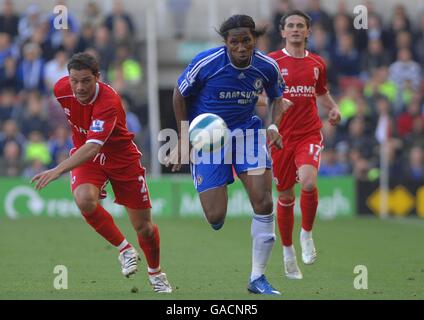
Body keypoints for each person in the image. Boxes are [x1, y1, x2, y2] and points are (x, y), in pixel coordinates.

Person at [167, 14, 292, 295]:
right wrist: (184, 138)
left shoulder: (266, 66)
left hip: (248, 133)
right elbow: (178, 93)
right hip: (210, 139)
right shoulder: (206, 62)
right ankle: (213, 192)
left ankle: (257, 277)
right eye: (234, 42)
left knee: (263, 201)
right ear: (225, 43)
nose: (240, 47)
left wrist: (272, 125)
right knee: (215, 217)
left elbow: (277, 97)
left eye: (246, 41)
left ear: (253, 40)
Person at [31, 52, 172, 293]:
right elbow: (87, 143)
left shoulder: (109, 101)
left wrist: (58, 169)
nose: (79, 87)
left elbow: (94, 145)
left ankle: (156, 273)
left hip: (121, 159)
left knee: (144, 227)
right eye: (74, 80)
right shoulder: (61, 89)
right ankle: (125, 249)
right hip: (89, 157)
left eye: (86, 80)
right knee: (84, 200)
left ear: (98, 77)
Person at [267, 10, 341, 280]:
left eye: (301, 26)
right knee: (285, 196)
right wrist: (275, 106)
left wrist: (333, 109)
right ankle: (288, 252)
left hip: (309, 133)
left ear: (308, 32)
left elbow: (320, 91)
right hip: (280, 138)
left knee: (308, 182)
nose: (296, 29)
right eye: (291, 26)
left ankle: (306, 234)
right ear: (283, 31)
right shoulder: (272, 62)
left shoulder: (317, 63)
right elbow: (258, 97)